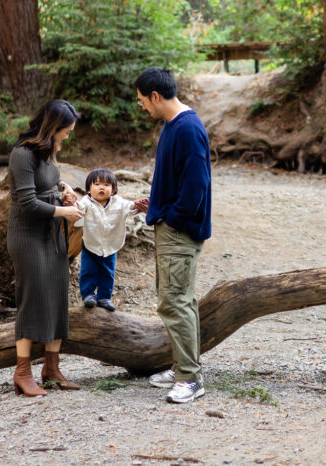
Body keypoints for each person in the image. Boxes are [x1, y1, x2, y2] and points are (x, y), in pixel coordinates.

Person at [134, 67, 212, 404]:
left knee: (175, 301)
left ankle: (191, 379)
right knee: (177, 298)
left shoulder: (188, 128)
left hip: (179, 230)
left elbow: (196, 185)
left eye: (142, 101)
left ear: (155, 95)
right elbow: (177, 178)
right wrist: (156, 203)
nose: (142, 107)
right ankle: (182, 366)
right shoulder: (171, 125)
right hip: (169, 223)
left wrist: (174, 218)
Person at [7, 99, 85, 397]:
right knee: (32, 300)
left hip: (52, 234)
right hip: (28, 235)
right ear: (53, 126)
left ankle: (51, 369)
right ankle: (22, 371)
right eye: (66, 130)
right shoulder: (22, 153)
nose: (68, 135)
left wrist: (64, 190)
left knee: (57, 295)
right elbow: (26, 201)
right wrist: (63, 213)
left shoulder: (49, 151)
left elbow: (49, 182)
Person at [74, 167, 147, 312]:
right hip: (91, 245)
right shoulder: (86, 202)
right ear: (88, 189)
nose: (102, 187)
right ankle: (88, 295)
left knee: (108, 272)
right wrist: (71, 204)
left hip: (111, 246)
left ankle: (104, 297)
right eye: (97, 184)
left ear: (113, 191)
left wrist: (138, 204)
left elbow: (129, 206)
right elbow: (78, 210)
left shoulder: (118, 202)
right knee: (88, 270)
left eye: (107, 185)